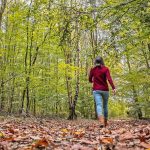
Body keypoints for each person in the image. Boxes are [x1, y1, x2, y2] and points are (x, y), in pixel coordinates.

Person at [89, 56, 116, 128]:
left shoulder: (93, 69)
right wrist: (113, 88)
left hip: (96, 90)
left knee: (98, 105)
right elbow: (109, 79)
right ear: (102, 61)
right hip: (105, 90)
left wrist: (93, 81)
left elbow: (89, 79)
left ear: (95, 62)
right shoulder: (106, 69)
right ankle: (105, 122)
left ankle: (101, 121)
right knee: (105, 106)